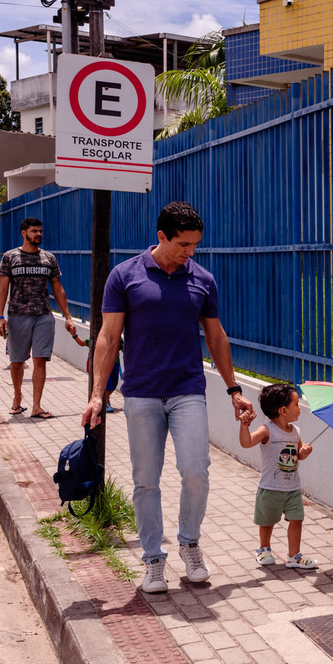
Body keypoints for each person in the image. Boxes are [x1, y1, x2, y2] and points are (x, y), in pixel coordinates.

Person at [80, 201, 256, 594]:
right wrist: (97, 394)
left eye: (195, 245)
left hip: (187, 390)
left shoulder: (202, 280)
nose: (189, 252)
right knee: (146, 481)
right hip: (141, 394)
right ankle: (153, 559)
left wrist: (234, 390)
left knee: (196, 471)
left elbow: (216, 337)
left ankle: (190, 542)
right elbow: (108, 337)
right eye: (183, 244)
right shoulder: (125, 276)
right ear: (161, 236)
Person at [0, 217, 76, 418]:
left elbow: (58, 288)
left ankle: (36, 406)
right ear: (24, 233)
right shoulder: (10, 257)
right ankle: (17, 397)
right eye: (34, 231)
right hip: (17, 316)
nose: (38, 234)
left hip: (43, 316)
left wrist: (68, 316)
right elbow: (3, 288)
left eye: (40, 231)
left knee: (41, 360)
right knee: (17, 362)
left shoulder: (49, 258)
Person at [238, 383, 319, 570]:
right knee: (267, 521)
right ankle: (263, 548)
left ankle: (294, 555)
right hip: (270, 487)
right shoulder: (267, 430)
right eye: (296, 404)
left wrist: (304, 452)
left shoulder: (295, 431)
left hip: (292, 488)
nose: (300, 408)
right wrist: (244, 425)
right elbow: (246, 442)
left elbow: (297, 454)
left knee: (297, 519)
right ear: (283, 410)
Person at [68, 325, 121, 413]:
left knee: (113, 385)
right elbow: (82, 343)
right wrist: (74, 335)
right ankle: (106, 403)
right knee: (107, 385)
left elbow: (124, 349)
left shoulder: (118, 337)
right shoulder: (97, 336)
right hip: (102, 365)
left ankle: (106, 399)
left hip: (115, 364)